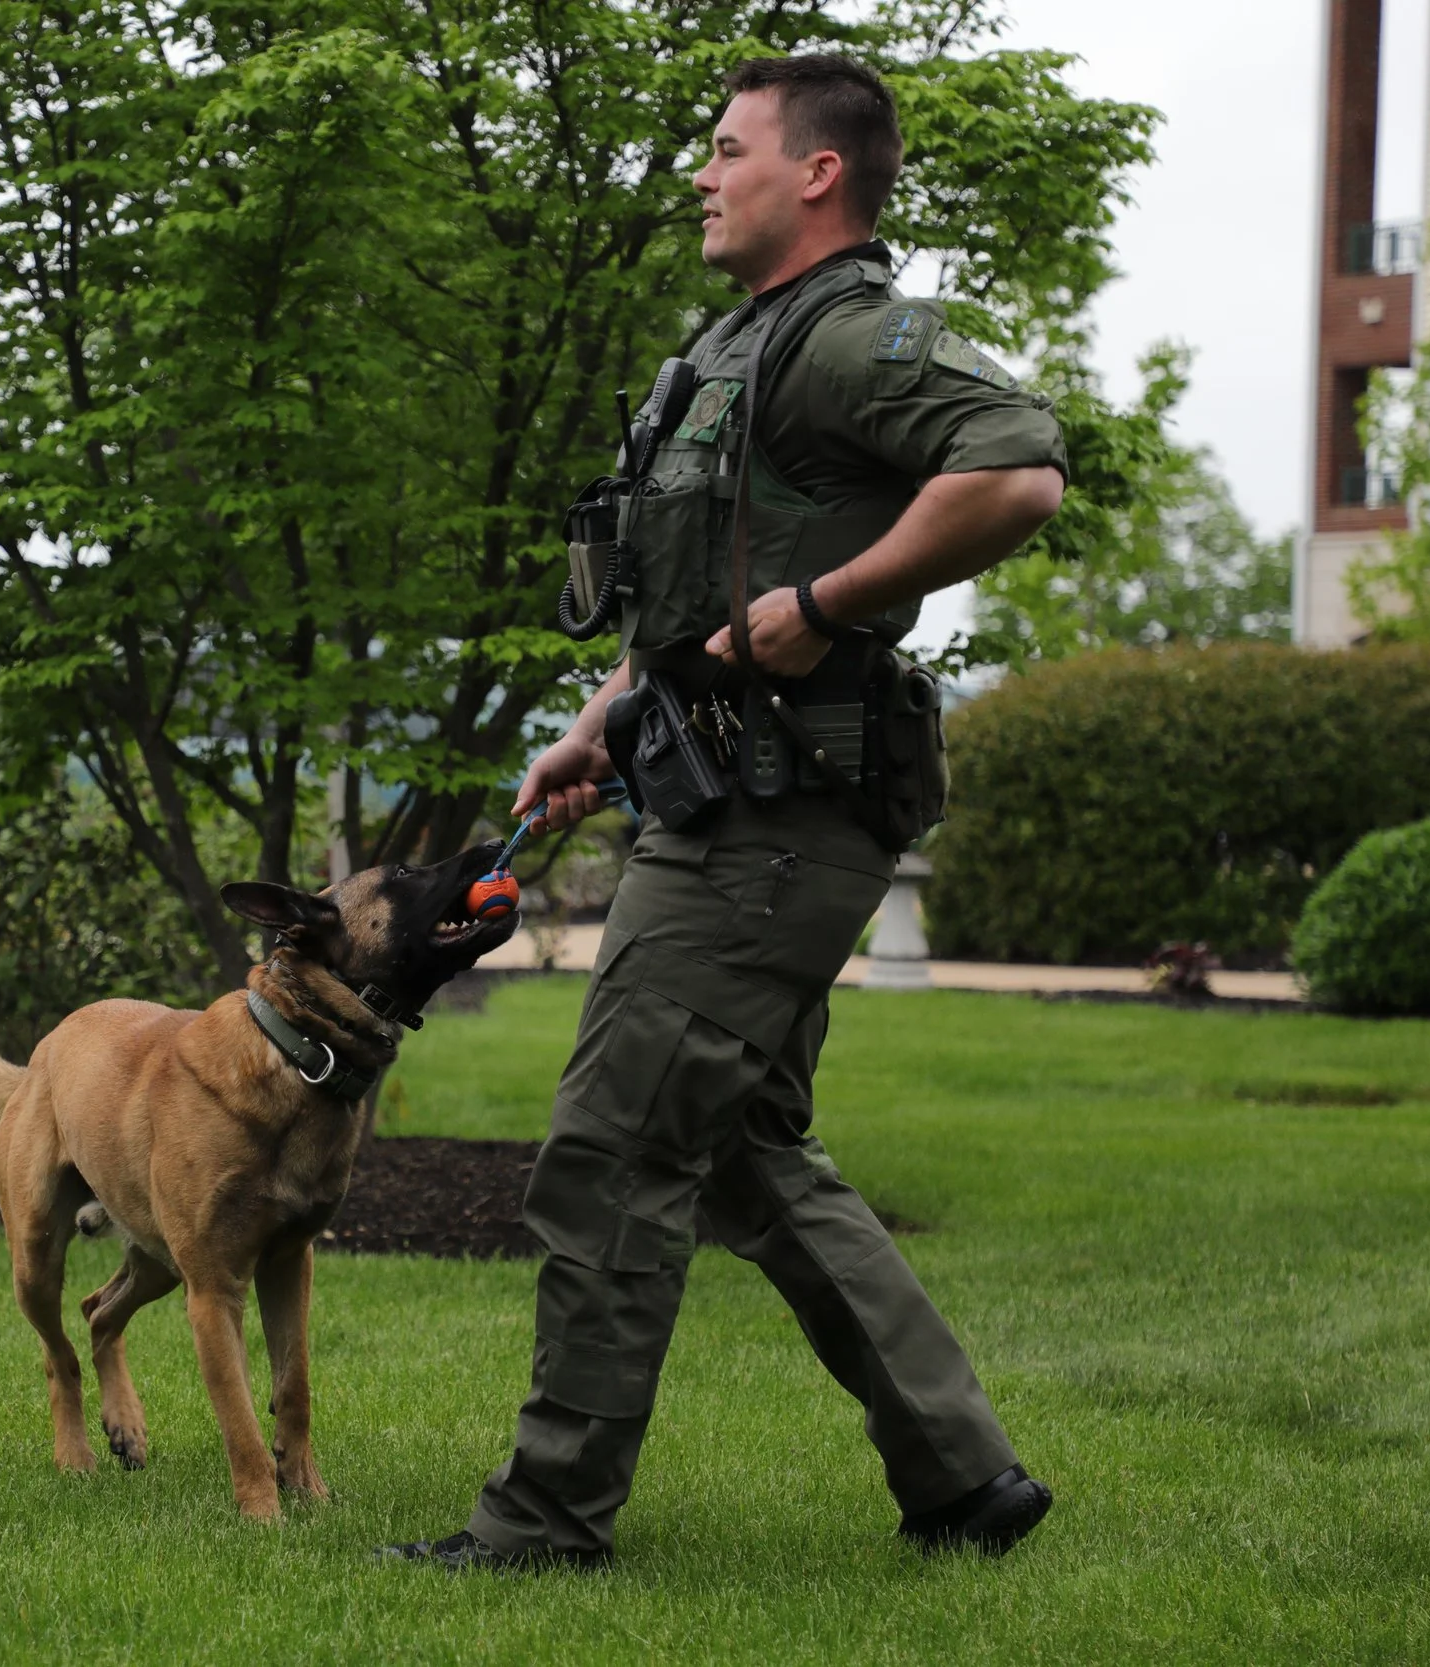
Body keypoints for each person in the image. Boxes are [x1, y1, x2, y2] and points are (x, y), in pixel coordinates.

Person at [380, 53, 1067, 1570]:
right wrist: (600, 722)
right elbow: (695, 602)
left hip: (776, 822)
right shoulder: (734, 351)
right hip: (715, 796)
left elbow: (1019, 470)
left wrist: (827, 604)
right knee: (746, 1146)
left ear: (817, 172)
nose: (702, 174)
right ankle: (967, 1479)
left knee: (614, 1149)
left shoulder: (852, 340)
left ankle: (548, 1519)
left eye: (728, 147)